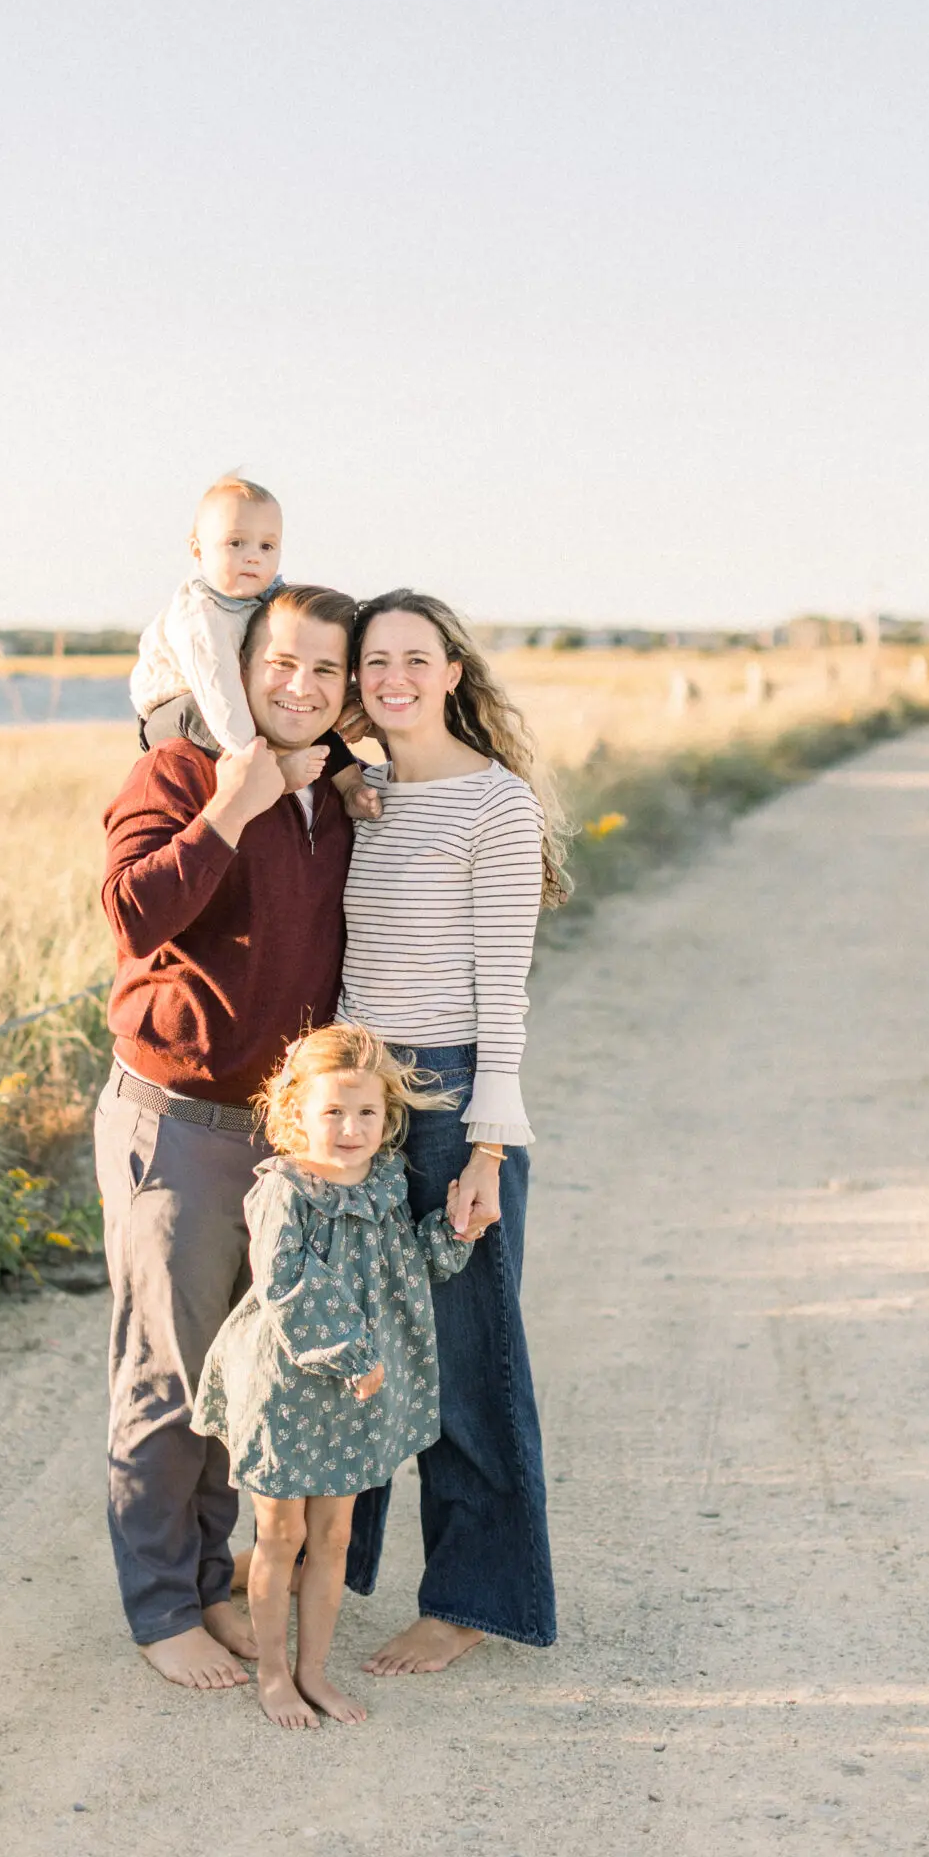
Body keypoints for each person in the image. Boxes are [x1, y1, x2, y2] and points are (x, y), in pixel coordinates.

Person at [96, 583, 358, 1690]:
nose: (300, 687)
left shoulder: (336, 795)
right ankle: (162, 1604)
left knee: (240, 1378)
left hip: (284, 1140)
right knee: (167, 1376)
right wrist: (227, 809)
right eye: (281, 664)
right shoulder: (180, 775)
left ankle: (210, 1580)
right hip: (180, 1125)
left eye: (326, 672)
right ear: (242, 670)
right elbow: (129, 914)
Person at [338, 587, 570, 1675]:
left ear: (452, 673)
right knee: (363, 1348)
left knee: (468, 1357)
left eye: (413, 657)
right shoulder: (360, 795)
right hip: (356, 1103)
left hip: (454, 1095)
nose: (393, 675)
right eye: (374, 660)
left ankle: (473, 1594)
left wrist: (486, 1145)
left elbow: (502, 988)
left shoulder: (496, 804)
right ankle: (334, 1568)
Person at [191, 1024, 474, 1728]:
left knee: (335, 1537)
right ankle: (275, 1677)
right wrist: (349, 1354)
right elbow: (288, 1283)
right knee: (279, 1536)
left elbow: (403, 1269)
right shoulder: (284, 1191)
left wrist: (452, 1234)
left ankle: (315, 1670)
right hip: (287, 1383)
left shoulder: (382, 1182)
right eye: (331, 1112)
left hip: (356, 1391)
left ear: (387, 1118)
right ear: (296, 1113)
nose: (349, 1128)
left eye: (366, 1113)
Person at [130, 475, 378, 818]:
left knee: (305, 715)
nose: (253, 558)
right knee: (208, 712)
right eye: (236, 543)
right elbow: (218, 693)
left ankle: (351, 785)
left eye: (266, 546)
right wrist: (269, 766)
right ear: (198, 550)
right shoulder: (200, 615)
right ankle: (271, 776)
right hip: (176, 705)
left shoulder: (268, 596)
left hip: (232, 694)